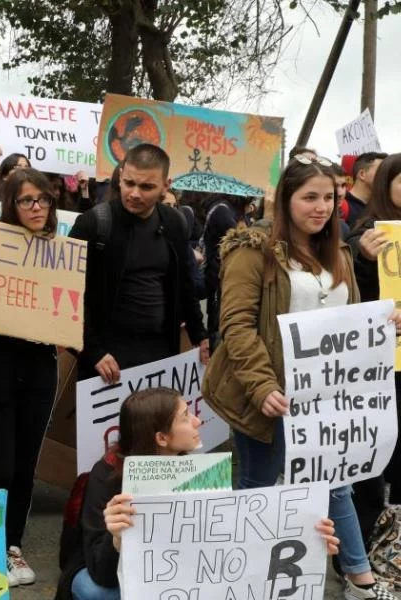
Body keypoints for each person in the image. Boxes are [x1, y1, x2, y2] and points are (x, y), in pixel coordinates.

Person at [203, 154, 400, 600]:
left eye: (329, 197)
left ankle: (358, 577)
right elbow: (235, 325)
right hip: (266, 395)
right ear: (286, 198)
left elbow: (346, 317)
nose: (322, 207)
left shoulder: (340, 252)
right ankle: (240, 573)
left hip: (323, 398)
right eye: (310, 197)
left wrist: (381, 321)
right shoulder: (250, 249)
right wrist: (263, 386)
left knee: (335, 482)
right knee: (257, 487)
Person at [58, 387, 341, 600]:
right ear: (161, 438)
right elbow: (102, 574)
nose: (197, 421)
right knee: (94, 590)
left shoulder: (199, 472)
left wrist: (308, 538)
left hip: (176, 576)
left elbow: (234, 543)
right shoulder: (106, 475)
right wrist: (117, 539)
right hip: (109, 577)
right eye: (185, 417)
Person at [0, 168, 58, 587]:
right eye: (27, 200)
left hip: (40, 369)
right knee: (0, 466)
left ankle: (13, 547)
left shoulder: (62, 253)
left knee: (25, 467)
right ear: (12, 204)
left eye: (43, 199)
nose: (37, 207)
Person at [70, 144, 208, 384]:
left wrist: (199, 332)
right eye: (129, 183)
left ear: (166, 186)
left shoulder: (175, 222)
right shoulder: (93, 224)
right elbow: (69, 295)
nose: (135, 193)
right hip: (106, 362)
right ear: (121, 175)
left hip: (161, 355)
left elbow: (184, 284)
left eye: (147, 187)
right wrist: (92, 351)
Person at [346, 153, 401, 545]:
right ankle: (363, 545)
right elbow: (348, 293)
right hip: (377, 364)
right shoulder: (365, 231)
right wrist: (364, 259)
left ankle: (395, 541)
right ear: (386, 183)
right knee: (374, 453)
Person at [201, 192, 253, 350]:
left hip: (222, 276)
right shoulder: (222, 211)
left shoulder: (227, 209)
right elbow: (242, 241)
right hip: (219, 278)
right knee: (219, 326)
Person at [345, 151, 387, 229]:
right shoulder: (341, 206)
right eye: (382, 169)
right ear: (362, 174)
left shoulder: (382, 208)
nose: (387, 175)